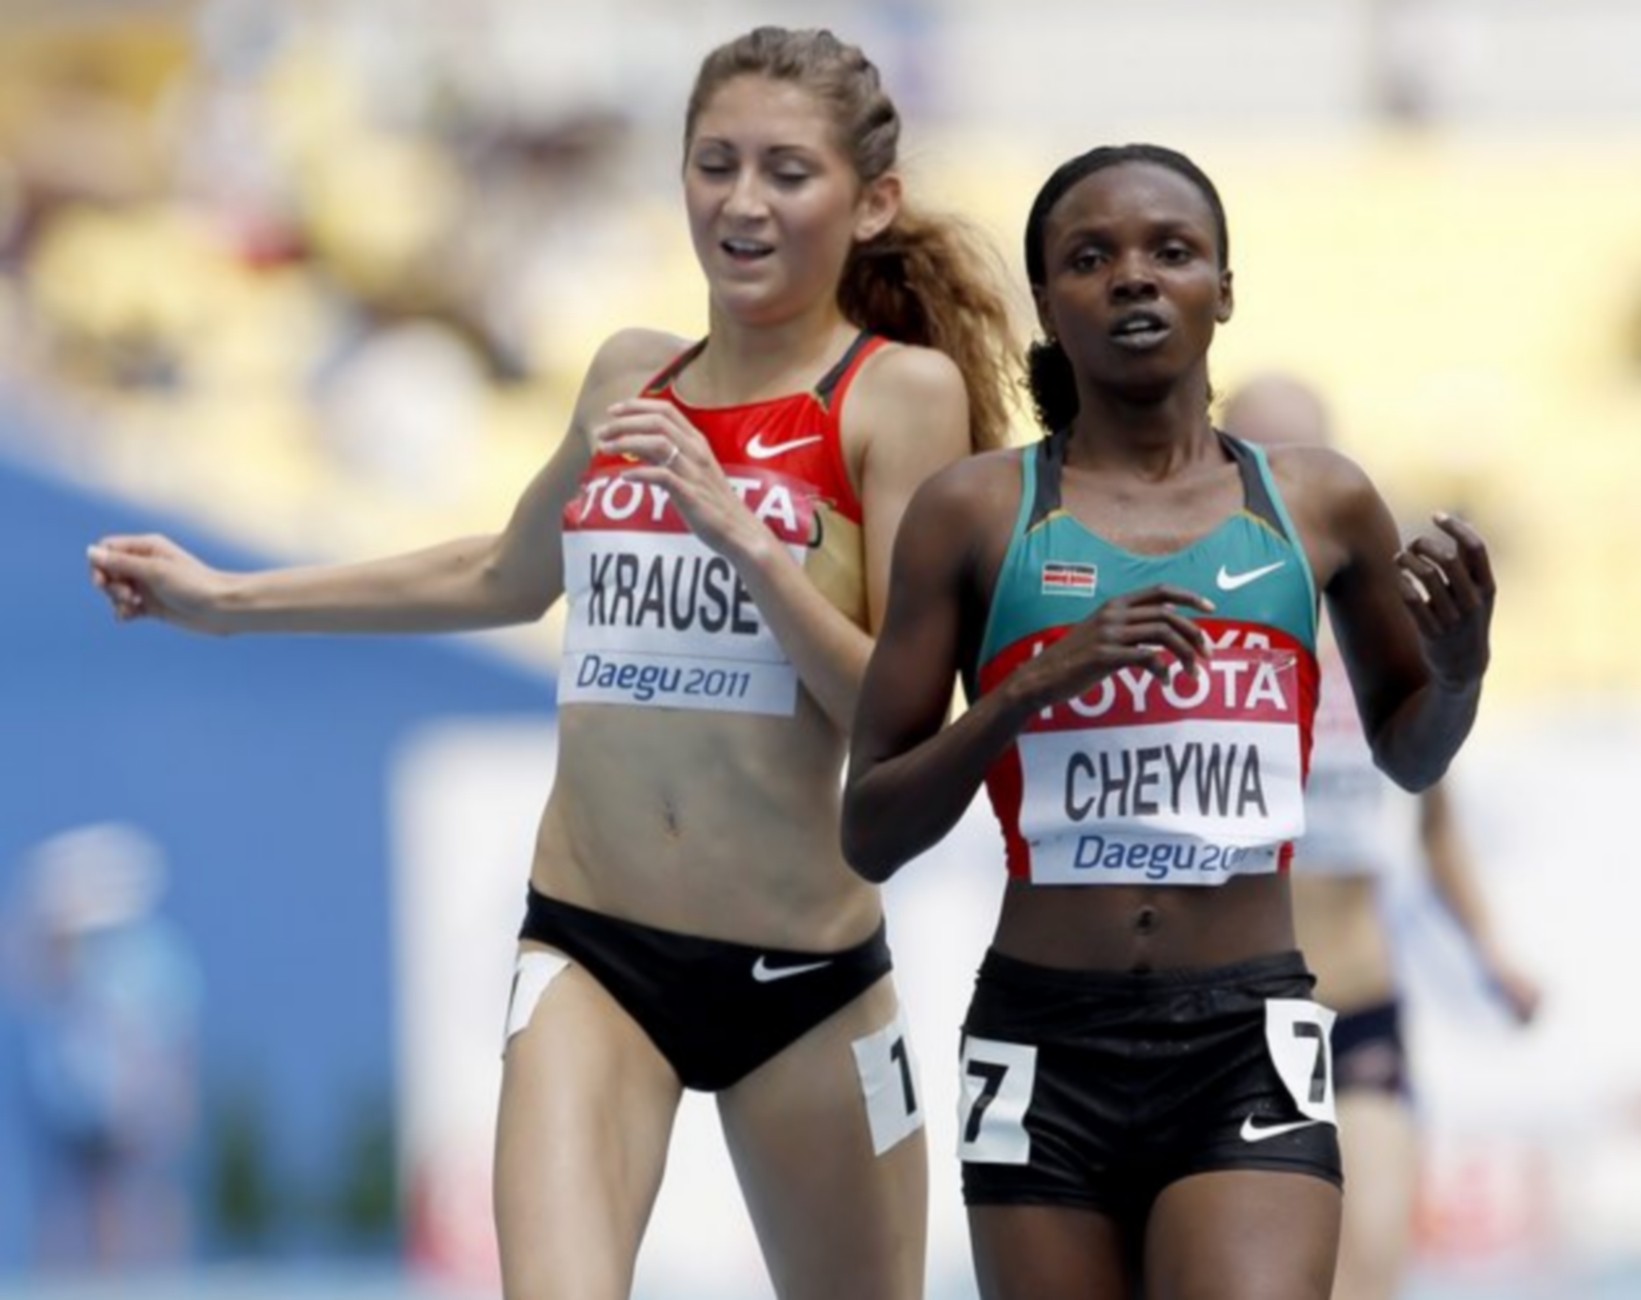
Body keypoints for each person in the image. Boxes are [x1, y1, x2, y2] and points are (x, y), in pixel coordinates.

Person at [85, 26, 1019, 1300]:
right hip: (590, 953)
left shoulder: (893, 397)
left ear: (872, 204)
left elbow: (904, 722)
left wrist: (747, 541)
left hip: (806, 979)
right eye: (714, 163)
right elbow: (502, 574)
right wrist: (226, 598)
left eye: (787, 172)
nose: (742, 202)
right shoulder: (629, 376)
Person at [842, 143, 1497, 1300]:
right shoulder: (975, 513)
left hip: (1245, 1029)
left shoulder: (1318, 500)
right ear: (1047, 303)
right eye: (1090, 258)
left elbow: (1409, 754)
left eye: (1170, 252)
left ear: (1224, 288)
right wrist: (1025, 690)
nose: (1132, 278)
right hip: (1038, 1038)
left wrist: (1453, 673)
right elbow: (871, 828)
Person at [1222, 373, 1540, 1300]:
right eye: (1255, 460)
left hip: (1361, 1006)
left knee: (1369, 1272)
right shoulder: (1197, 619)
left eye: (1302, 458)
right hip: (1230, 1011)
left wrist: (1490, 951)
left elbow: (1431, 812)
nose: (1281, 484)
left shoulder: (1385, 626)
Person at [5, 823, 202, 1272]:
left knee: (140, 1203)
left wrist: (176, 1100)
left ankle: (151, 1281)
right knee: (73, 1209)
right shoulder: (57, 954)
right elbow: (23, 980)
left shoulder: (150, 955)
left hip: (136, 1108)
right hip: (72, 1110)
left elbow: (174, 1034)